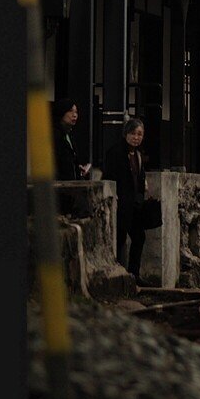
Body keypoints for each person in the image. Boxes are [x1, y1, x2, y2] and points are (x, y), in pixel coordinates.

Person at [100, 117, 149, 279]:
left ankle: (134, 274)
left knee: (139, 237)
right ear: (126, 134)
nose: (136, 137)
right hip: (120, 205)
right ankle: (116, 275)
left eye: (139, 134)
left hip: (135, 206)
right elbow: (109, 177)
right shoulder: (115, 152)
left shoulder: (138, 155)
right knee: (118, 239)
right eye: (133, 133)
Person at [51, 98, 91, 181]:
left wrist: (76, 167)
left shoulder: (69, 134)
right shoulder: (55, 135)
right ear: (62, 112)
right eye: (70, 111)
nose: (74, 115)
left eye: (76, 112)